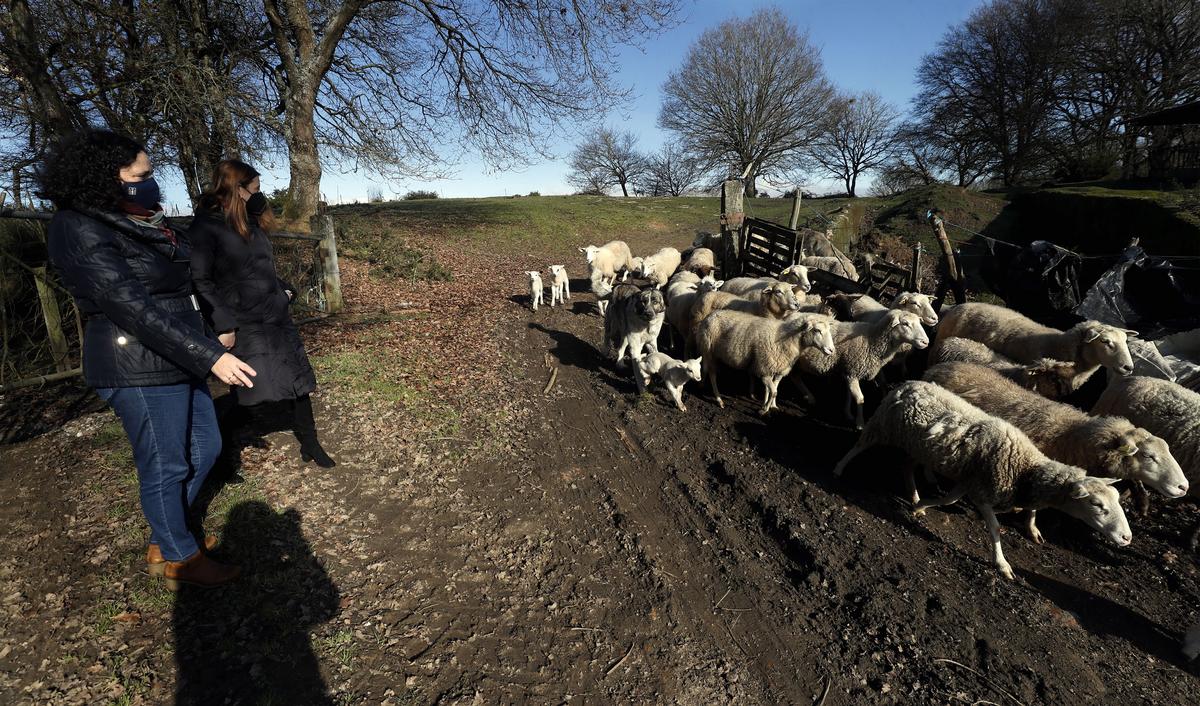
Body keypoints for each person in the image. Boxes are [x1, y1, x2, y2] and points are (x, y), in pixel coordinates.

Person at [39, 129, 253, 589]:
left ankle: (167, 533)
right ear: (107, 177)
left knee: (206, 448)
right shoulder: (77, 226)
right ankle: (178, 557)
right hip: (136, 362)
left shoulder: (137, 220)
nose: (152, 182)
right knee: (165, 463)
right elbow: (130, 307)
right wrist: (210, 356)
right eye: (143, 174)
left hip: (177, 355)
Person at [189, 159, 335, 468]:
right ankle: (223, 457)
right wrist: (223, 325)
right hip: (243, 321)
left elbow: (259, 268)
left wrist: (285, 289)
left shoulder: (251, 223)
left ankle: (310, 443)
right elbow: (202, 279)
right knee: (246, 389)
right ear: (236, 189)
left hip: (275, 316)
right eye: (254, 189)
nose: (259, 194)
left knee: (298, 382)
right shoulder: (207, 226)